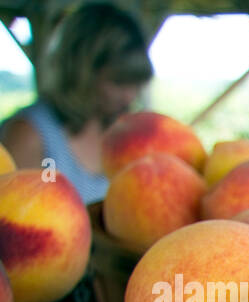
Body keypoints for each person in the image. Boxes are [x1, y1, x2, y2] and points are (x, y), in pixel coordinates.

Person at [1, 3, 154, 203]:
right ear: (81, 73)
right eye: (117, 82)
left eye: (136, 84)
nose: (129, 97)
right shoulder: (31, 134)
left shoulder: (121, 130)